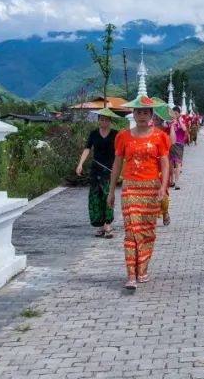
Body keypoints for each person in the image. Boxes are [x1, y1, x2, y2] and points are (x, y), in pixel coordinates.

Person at [108, 95, 170, 290]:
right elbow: (117, 164)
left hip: (151, 189)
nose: (142, 116)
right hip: (130, 188)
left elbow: (165, 164)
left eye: (145, 112)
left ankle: (142, 270)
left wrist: (163, 187)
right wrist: (111, 191)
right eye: (138, 112)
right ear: (133, 114)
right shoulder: (123, 137)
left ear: (151, 115)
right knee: (131, 231)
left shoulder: (160, 136)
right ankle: (131, 275)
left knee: (147, 232)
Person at [75, 108, 120, 238]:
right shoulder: (94, 134)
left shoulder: (116, 134)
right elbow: (87, 149)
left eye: (106, 119)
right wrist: (80, 164)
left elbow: (120, 152)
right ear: (98, 120)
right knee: (96, 197)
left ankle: (108, 224)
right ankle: (100, 225)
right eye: (101, 119)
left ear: (110, 121)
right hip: (96, 170)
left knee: (108, 196)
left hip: (110, 170)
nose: (103, 122)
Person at [151, 101, 172, 226]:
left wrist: (173, 124)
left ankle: (165, 211)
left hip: (163, 163)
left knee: (163, 189)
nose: (155, 118)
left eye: (157, 116)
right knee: (150, 190)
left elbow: (172, 142)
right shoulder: (148, 130)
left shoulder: (166, 130)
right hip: (151, 163)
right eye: (153, 115)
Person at [166, 105, 187, 189]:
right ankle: (172, 180)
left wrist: (179, 121)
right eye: (173, 113)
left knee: (178, 163)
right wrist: (171, 123)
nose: (174, 115)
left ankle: (177, 182)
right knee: (170, 164)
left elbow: (184, 129)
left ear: (179, 114)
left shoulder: (182, 121)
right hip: (170, 144)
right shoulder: (169, 122)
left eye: (176, 113)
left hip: (179, 145)